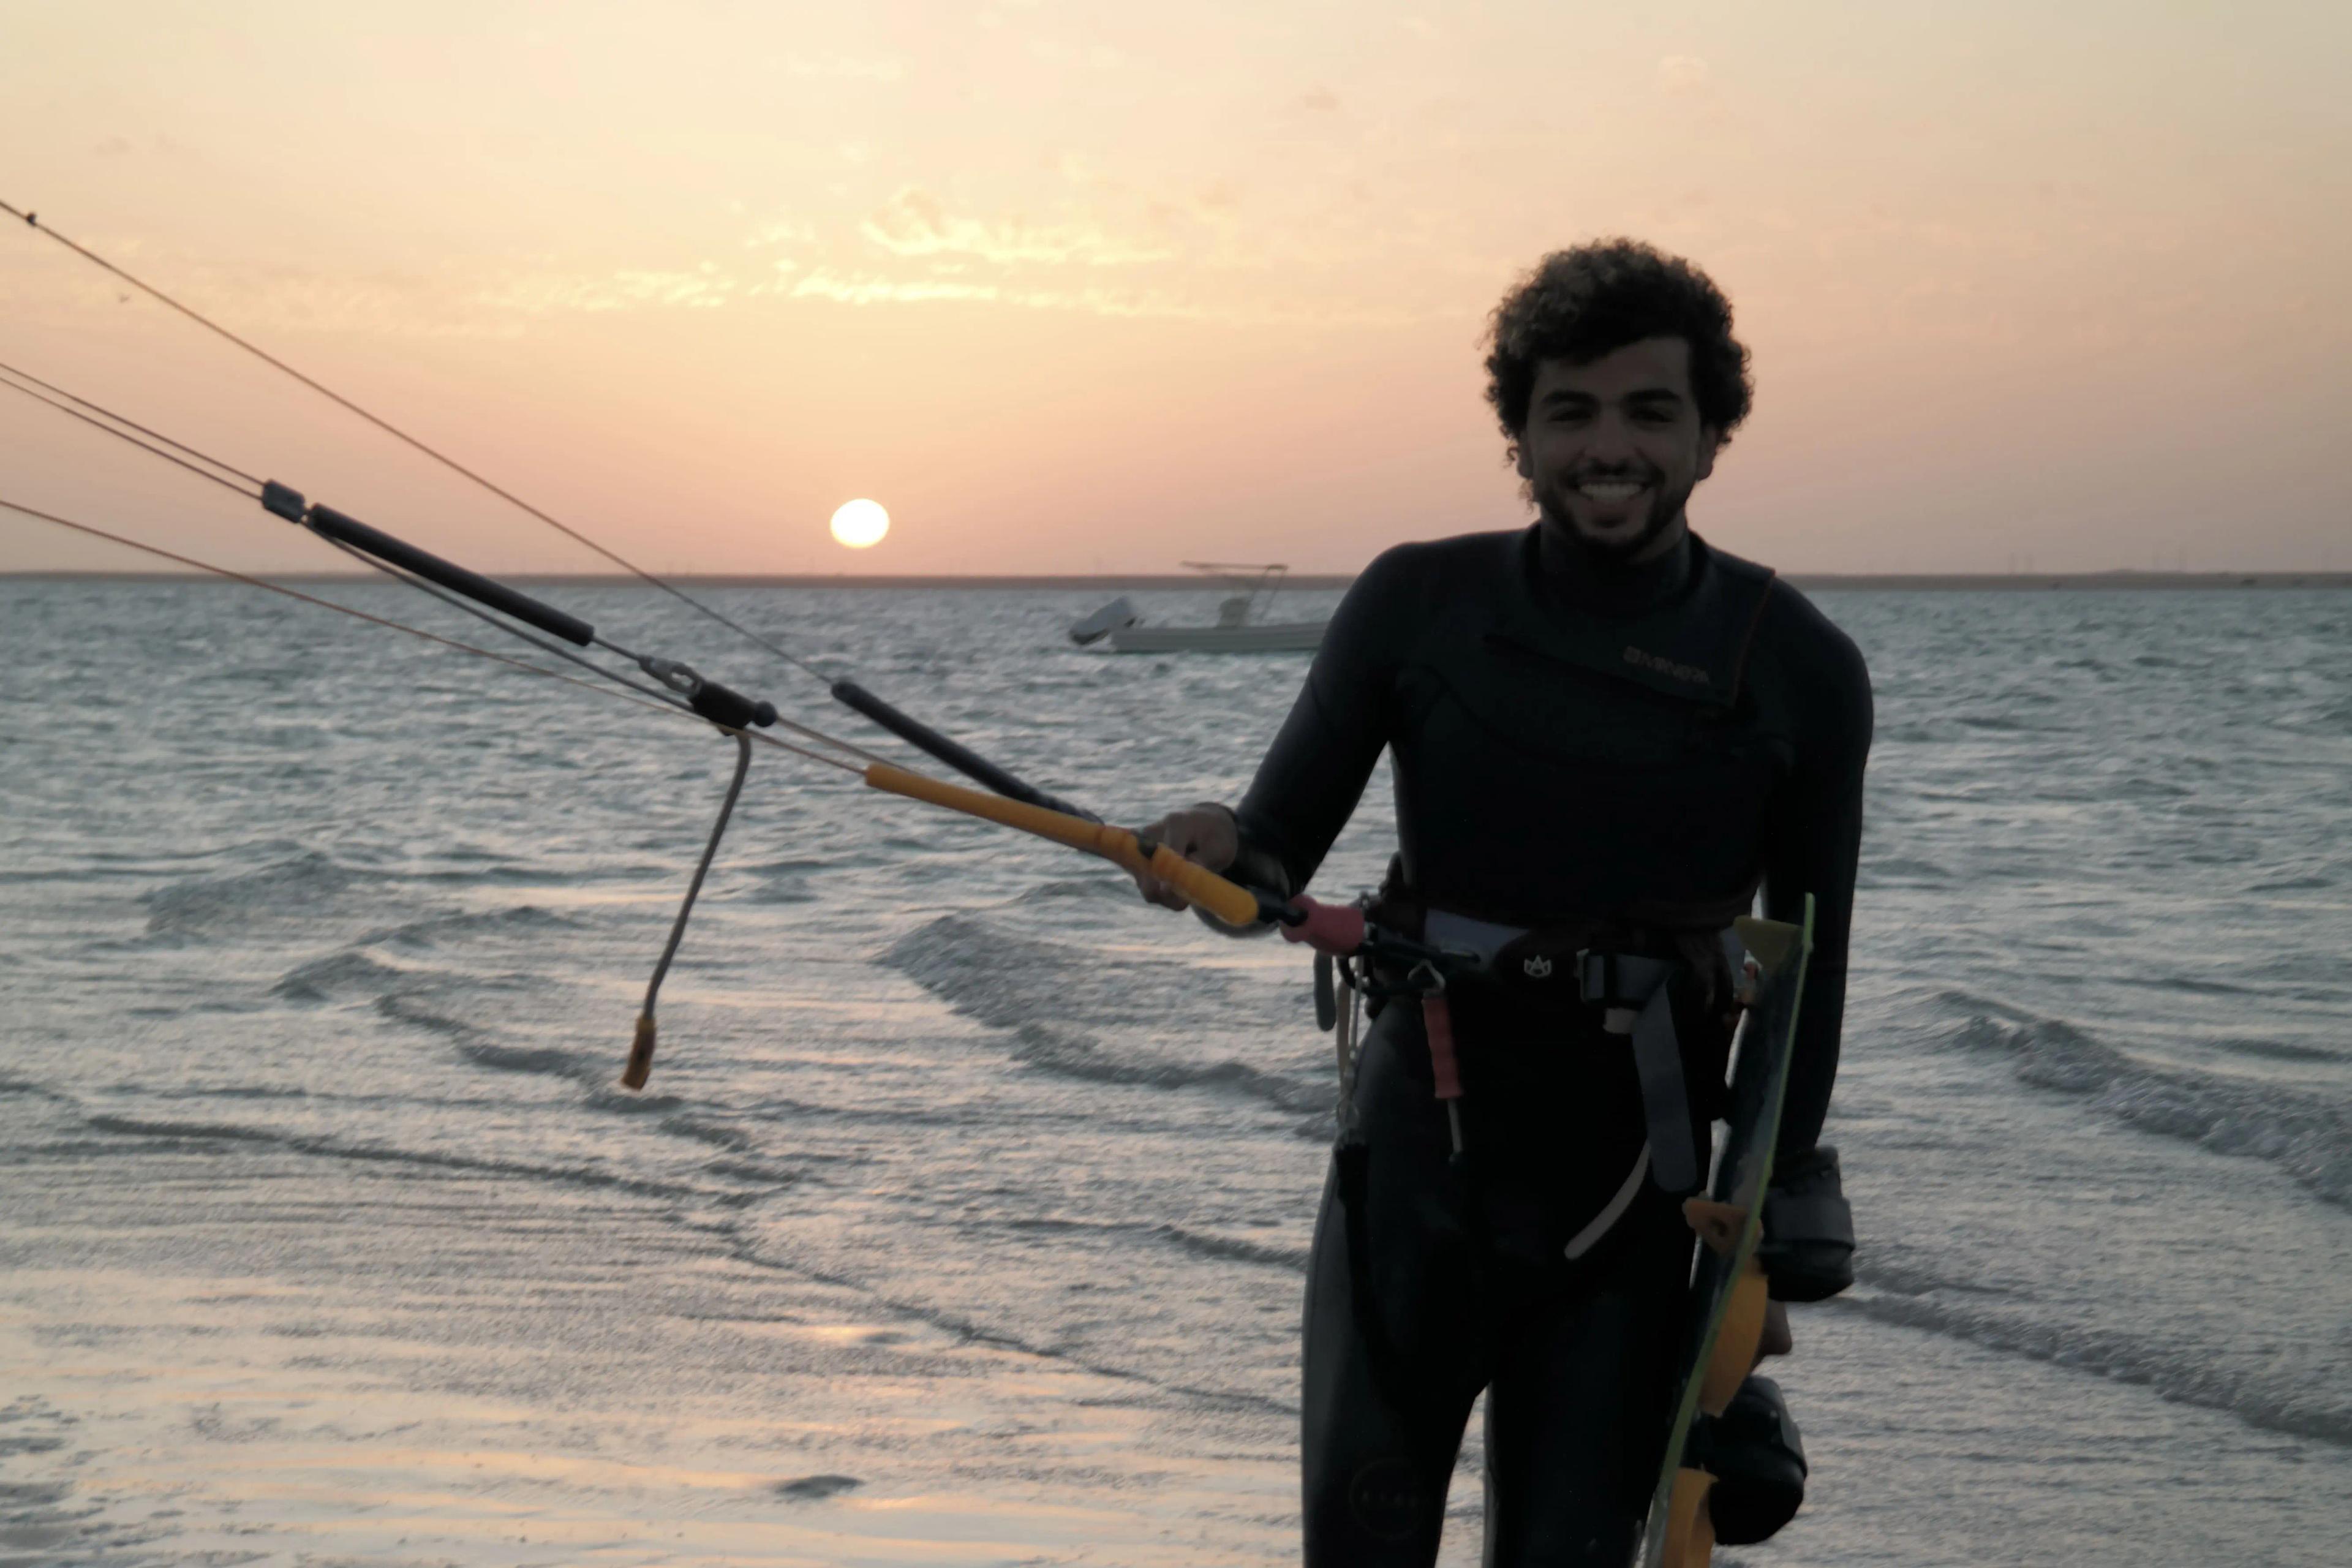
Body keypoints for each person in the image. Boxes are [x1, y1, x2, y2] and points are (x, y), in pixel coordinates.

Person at [1132, 239, 1871, 1565]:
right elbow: (1273, 848)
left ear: (1714, 434)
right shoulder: (1420, 603)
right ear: (1518, 436)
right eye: (1569, 410)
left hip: (1632, 1202)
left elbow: (1812, 976)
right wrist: (1214, 850)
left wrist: (1771, 1200)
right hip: (1415, 1168)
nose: (1610, 446)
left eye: (1652, 410)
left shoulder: (1800, 668)